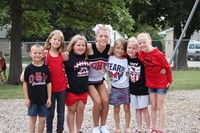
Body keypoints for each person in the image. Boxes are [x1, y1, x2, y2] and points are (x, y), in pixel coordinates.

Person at [136, 33, 172, 133]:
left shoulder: (158, 54)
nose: (142, 45)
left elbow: (167, 67)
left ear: (150, 41)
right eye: (140, 43)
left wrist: (169, 81)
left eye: (144, 42)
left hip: (161, 84)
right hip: (150, 84)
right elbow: (130, 53)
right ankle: (154, 128)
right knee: (153, 106)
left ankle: (161, 129)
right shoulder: (141, 54)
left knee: (160, 106)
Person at [87, 24, 113, 133]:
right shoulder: (89, 47)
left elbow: (122, 53)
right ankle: (95, 127)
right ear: (96, 37)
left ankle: (103, 125)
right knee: (98, 102)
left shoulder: (110, 48)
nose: (103, 38)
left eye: (106, 36)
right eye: (101, 36)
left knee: (106, 100)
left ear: (109, 37)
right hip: (88, 81)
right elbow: (75, 50)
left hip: (100, 79)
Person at [23, 44, 52, 133]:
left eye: (39, 53)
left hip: (43, 100)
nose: (37, 55)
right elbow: (25, 83)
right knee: (33, 119)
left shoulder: (45, 68)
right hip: (33, 100)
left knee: (42, 120)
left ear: (43, 54)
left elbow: (49, 83)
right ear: (30, 54)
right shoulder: (28, 68)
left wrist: (49, 98)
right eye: (35, 53)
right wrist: (27, 98)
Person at [64, 35, 90, 133]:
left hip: (83, 90)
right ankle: (71, 131)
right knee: (71, 110)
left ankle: (78, 130)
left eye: (83, 45)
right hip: (72, 90)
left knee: (80, 110)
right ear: (73, 46)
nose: (81, 47)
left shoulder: (87, 57)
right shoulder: (68, 57)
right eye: (78, 45)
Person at [45, 30, 68, 133]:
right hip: (50, 88)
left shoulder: (62, 55)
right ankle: (49, 130)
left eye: (59, 40)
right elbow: (35, 65)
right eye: (54, 39)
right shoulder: (45, 54)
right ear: (50, 40)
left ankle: (60, 130)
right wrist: (24, 73)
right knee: (50, 112)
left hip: (62, 87)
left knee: (61, 112)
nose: (56, 41)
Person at [126, 37, 151, 133]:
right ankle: (139, 128)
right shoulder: (127, 59)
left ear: (138, 49)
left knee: (144, 108)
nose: (131, 50)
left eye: (134, 48)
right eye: (129, 48)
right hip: (133, 88)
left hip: (143, 88)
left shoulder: (141, 59)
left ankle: (149, 128)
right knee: (137, 109)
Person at [107, 38, 131, 133]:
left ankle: (127, 127)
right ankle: (117, 127)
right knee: (116, 109)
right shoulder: (109, 58)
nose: (120, 50)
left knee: (127, 108)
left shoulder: (126, 60)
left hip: (125, 87)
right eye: (118, 48)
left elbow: (129, 71)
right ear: (114, 47)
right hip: (114, 88)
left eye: (122, 49)